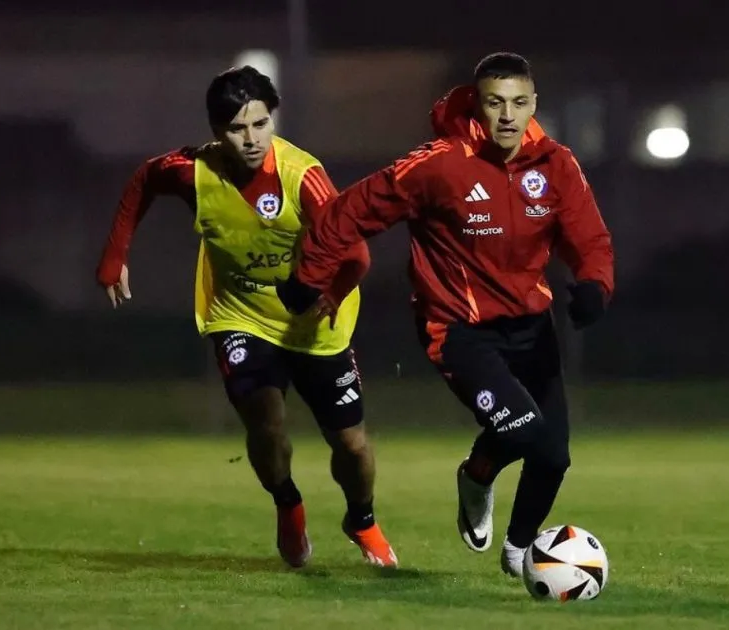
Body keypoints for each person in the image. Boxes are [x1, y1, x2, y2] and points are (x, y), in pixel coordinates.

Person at [276, 52, 614, 576]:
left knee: (553, 456)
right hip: (459, 330)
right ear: (478, 105)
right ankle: (476, 477)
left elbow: (589, 237)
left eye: (519, 103)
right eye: (496, 103)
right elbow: (351, 211)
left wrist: (595, 284)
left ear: (533, 106)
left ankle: (520, 552)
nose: (507, 115)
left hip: (531, 328)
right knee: (523, 430)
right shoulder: (438, 163)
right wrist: (309, 277)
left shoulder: (556, 164)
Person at [95, 66, 398, 568]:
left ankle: (361, 519)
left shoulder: (303, 175)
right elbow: (144, 178)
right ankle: (288, 504)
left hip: (316, 322)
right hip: (240, 315)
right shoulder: (194, 171)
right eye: (238, 128)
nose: (252, 138)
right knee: (266, 421)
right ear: (216, 132)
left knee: (352, 444)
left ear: (272, 119)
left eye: (260, 124)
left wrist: (333, 292)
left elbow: (357, 255)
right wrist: (115, 253)